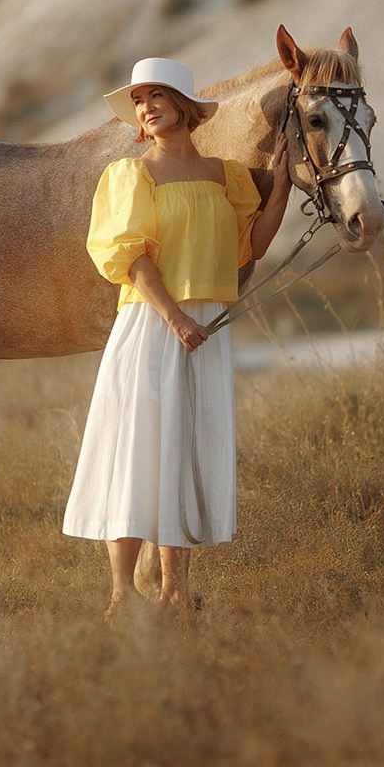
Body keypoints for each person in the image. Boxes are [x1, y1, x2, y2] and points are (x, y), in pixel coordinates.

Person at [63, 56, 293, 619]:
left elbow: (255, 245)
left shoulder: (226, 177)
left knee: (187, 450)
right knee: (137, 449)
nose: (145, 108)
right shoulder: (130, 175)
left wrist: (283, 184)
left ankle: (174, 590)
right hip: (152, 323)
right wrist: (175, 319)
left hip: (206, 325)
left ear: (186, 108)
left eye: (156, 96)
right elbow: (132, 260)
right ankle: (121, 593)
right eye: (140, 101)